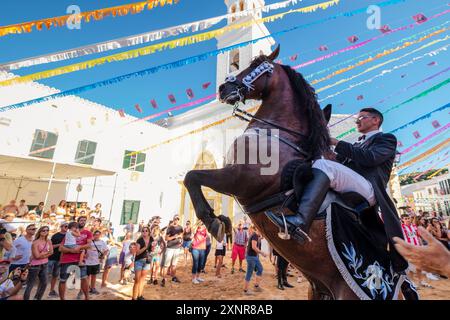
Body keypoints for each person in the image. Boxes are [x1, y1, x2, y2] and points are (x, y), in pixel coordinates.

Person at [268, 107, 408, 272]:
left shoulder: (386, 139)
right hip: (351, 185)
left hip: (368, 189)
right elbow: (336, 162)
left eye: (362, 117)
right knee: (316, 166)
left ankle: (300, 221)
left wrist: (336, 142)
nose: (357, 120)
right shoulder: (357, 143)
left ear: (375, 120)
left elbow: (371, 158)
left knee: (325, 167)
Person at [58, 216, 93, 300]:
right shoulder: (69, 233)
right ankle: (62, 299)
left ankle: (87, 297)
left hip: (79, 259)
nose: (83, 221)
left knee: (84, 278)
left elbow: (89, 245)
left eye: (84, 220)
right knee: (63, 280)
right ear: (77, 222)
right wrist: (72, 251)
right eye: (81, 220)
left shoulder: (88, 233)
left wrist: (79, 248)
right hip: (66, 259)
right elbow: (60, 248)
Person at [400, 214, 431, 288]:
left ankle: (422, 281)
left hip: (417, 249)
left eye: (408, 218)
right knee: (410, 268)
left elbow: (418, 237)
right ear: (402, 220)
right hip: (409, 250)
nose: (407, 220)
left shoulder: (414, 226)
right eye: (405, 218)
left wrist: (421, 247)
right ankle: (413, 283)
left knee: (420, 266)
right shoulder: (401, 228)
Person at [23, 226, 53, 300]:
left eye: (47, 230)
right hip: (35, 265)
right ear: (39, 231)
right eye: (43, 230)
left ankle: (37, 298)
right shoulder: (35, 242)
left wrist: (42, 254)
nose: (45, 232)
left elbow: (52, 252)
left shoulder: (49, 241)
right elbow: (36, 256)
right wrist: (46, 253)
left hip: (45, 264)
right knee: (30, 284)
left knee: (45, 283)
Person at [244, 225, 266, 295]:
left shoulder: (256, 236)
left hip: (254, 256)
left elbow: (255, 242)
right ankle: (246, 290)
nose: (262, 234)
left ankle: (256, 286)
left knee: (260, 269)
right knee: (249, 273)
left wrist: (260, 238)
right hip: (251, 257)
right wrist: (262, 253)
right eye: (262, 232)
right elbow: (254, 247)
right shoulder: (254, 235)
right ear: (259, 230)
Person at [161, 214, 183, 286]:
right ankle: (164, 279)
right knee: (166, 265)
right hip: (170, 248)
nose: (176, 220)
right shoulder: (170, 228)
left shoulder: (180, 227)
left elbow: (181, 236)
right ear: (173, 219)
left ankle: (173, 277)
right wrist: (174, 236)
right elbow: (166, 238)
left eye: (177, 219)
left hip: (177, 248)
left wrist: (181, 242)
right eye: (175, 219)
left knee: (174, 265)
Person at [47, 222, 67, 298]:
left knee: (55, 275)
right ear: (61, 227)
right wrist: (60, 245)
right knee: (46, 275)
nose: (66, 227)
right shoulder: (56, 235)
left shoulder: (69, 236)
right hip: (52, 258)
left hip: (61, 259)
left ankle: (51, 291)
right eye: (65, 226)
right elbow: (50, 246)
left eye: (67, 226)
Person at [85, 230, 108, 295]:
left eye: (98, 235)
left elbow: (106, 250)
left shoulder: (102, 242)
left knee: (94, 276)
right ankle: (87, 288)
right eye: (95, 235)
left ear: (100, 235)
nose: (96, 236)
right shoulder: (89, 241)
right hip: (88, 261)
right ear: (93, 235)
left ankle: (93, 288)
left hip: (96, 262)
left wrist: (102, 256)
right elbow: (84, 249)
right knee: (87, 276)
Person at [133, 226, 151, 300]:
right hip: (139, 261)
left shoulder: (151, 239)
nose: (144, 232)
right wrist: (145, 247)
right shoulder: (139, 240)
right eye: (143, 231)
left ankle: (139, 296)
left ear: (149, 232)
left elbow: (151, 250)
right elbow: (137, 253)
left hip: (147, 261)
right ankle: (134, 297)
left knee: (142, 280)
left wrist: (152, 249)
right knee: (137, 280)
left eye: (146, 231)